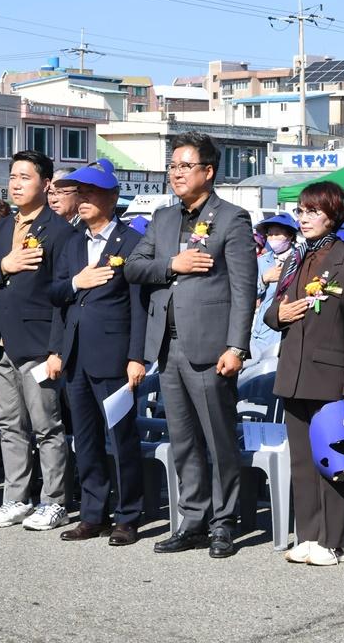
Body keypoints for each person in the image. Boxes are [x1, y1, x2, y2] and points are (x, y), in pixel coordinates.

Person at [125, 132, 257, 559]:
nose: (176, 173)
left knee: (219, 439)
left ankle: (224, 521)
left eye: (184, 166)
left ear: (208, 171)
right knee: (183, 440)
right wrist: (172, 265)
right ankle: (193, 518)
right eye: (172, 166)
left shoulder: (232, 218)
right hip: (169, 346)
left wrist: (237, 346)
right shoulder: (162, 219)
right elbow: (134, 267)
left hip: (211, 346)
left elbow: (243, 288)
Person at [0, 150, 75, 531]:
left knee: (47, 425)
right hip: (1, 342)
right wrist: (4, 265)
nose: (15, 183)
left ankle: (55, 500)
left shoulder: (61, 230)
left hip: (39, 342)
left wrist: (57, 348)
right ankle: (16, 497)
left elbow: (66, 296)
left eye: (24, 177)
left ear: (46, 184)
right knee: (11, 425)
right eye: (12, 176)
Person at [264, 182, 344, 566]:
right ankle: (308, 535)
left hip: (332, 374)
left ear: (334, 214)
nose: (304, 218)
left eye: (313, 211)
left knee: (334, 461)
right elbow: (271, 310)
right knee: (302, 460)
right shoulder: (293, 260)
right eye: (301, 211)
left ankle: (335, 540)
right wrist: (280, 315)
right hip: (293, 370)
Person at [47, 162, 148, 546]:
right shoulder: (73, 243)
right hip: (75, 356)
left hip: (115, 354)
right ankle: (92, 513)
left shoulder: (132, 241)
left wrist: (137, 356)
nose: (83, 199)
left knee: (121, 439)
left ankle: (127, 515)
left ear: (112, 197)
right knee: (85, 440)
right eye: (80, 192)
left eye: (91, 192)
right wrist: (57, 348)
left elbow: (140, 305)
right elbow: (57, 297)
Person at [250, 213, 299, 362]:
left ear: (290, 236)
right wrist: (264, 279)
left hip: (290, 330)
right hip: (263, 332)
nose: (272, 238)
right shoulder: (262, 261)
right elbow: (248, 293)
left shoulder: (301, 260)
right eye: (269, 234)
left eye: (277, 234)